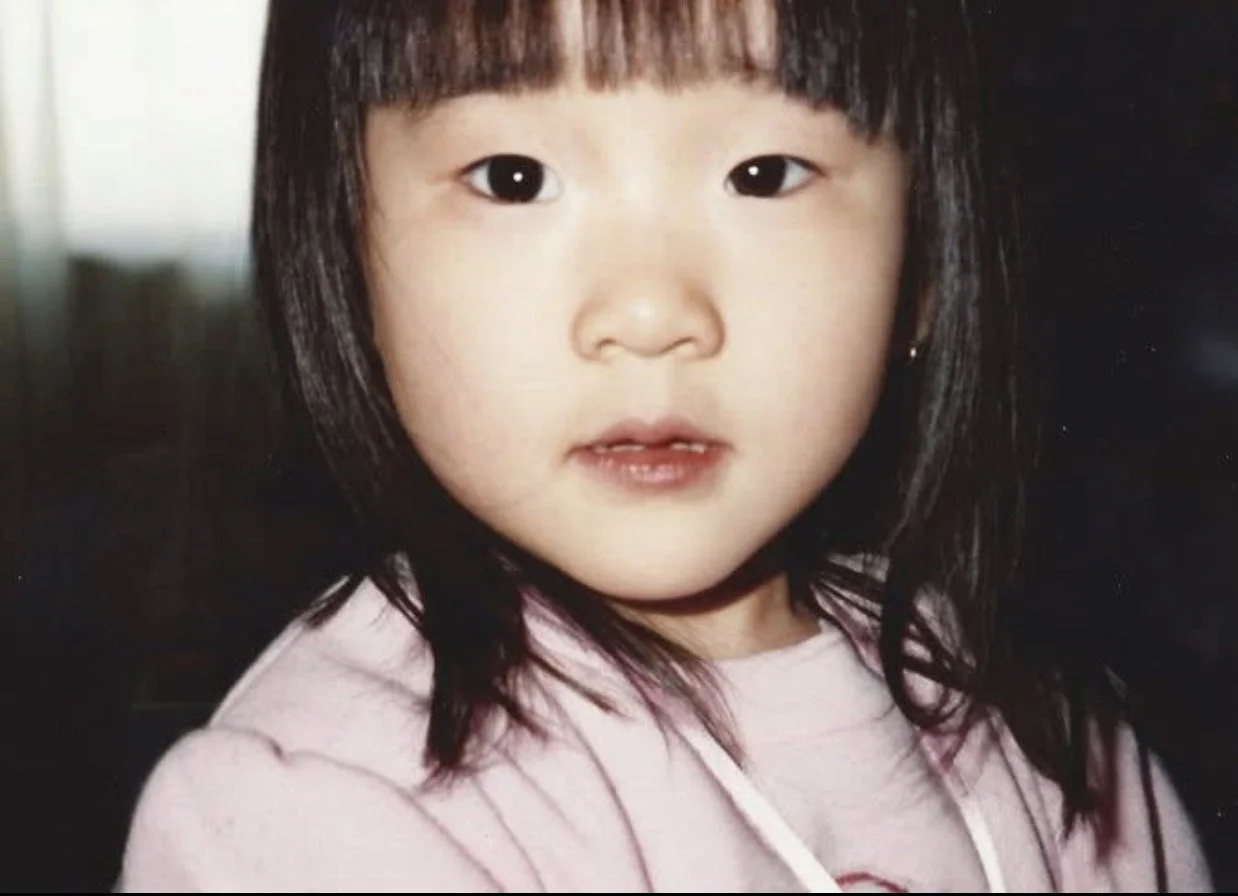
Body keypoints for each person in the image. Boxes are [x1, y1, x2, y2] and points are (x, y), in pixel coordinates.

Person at [118, 0, 1212, 891]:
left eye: (763, 173)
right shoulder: (319, 811)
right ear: (344, 250)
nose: (648, 311)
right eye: (513, 176)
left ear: (923, 259)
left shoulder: (1055, 742)